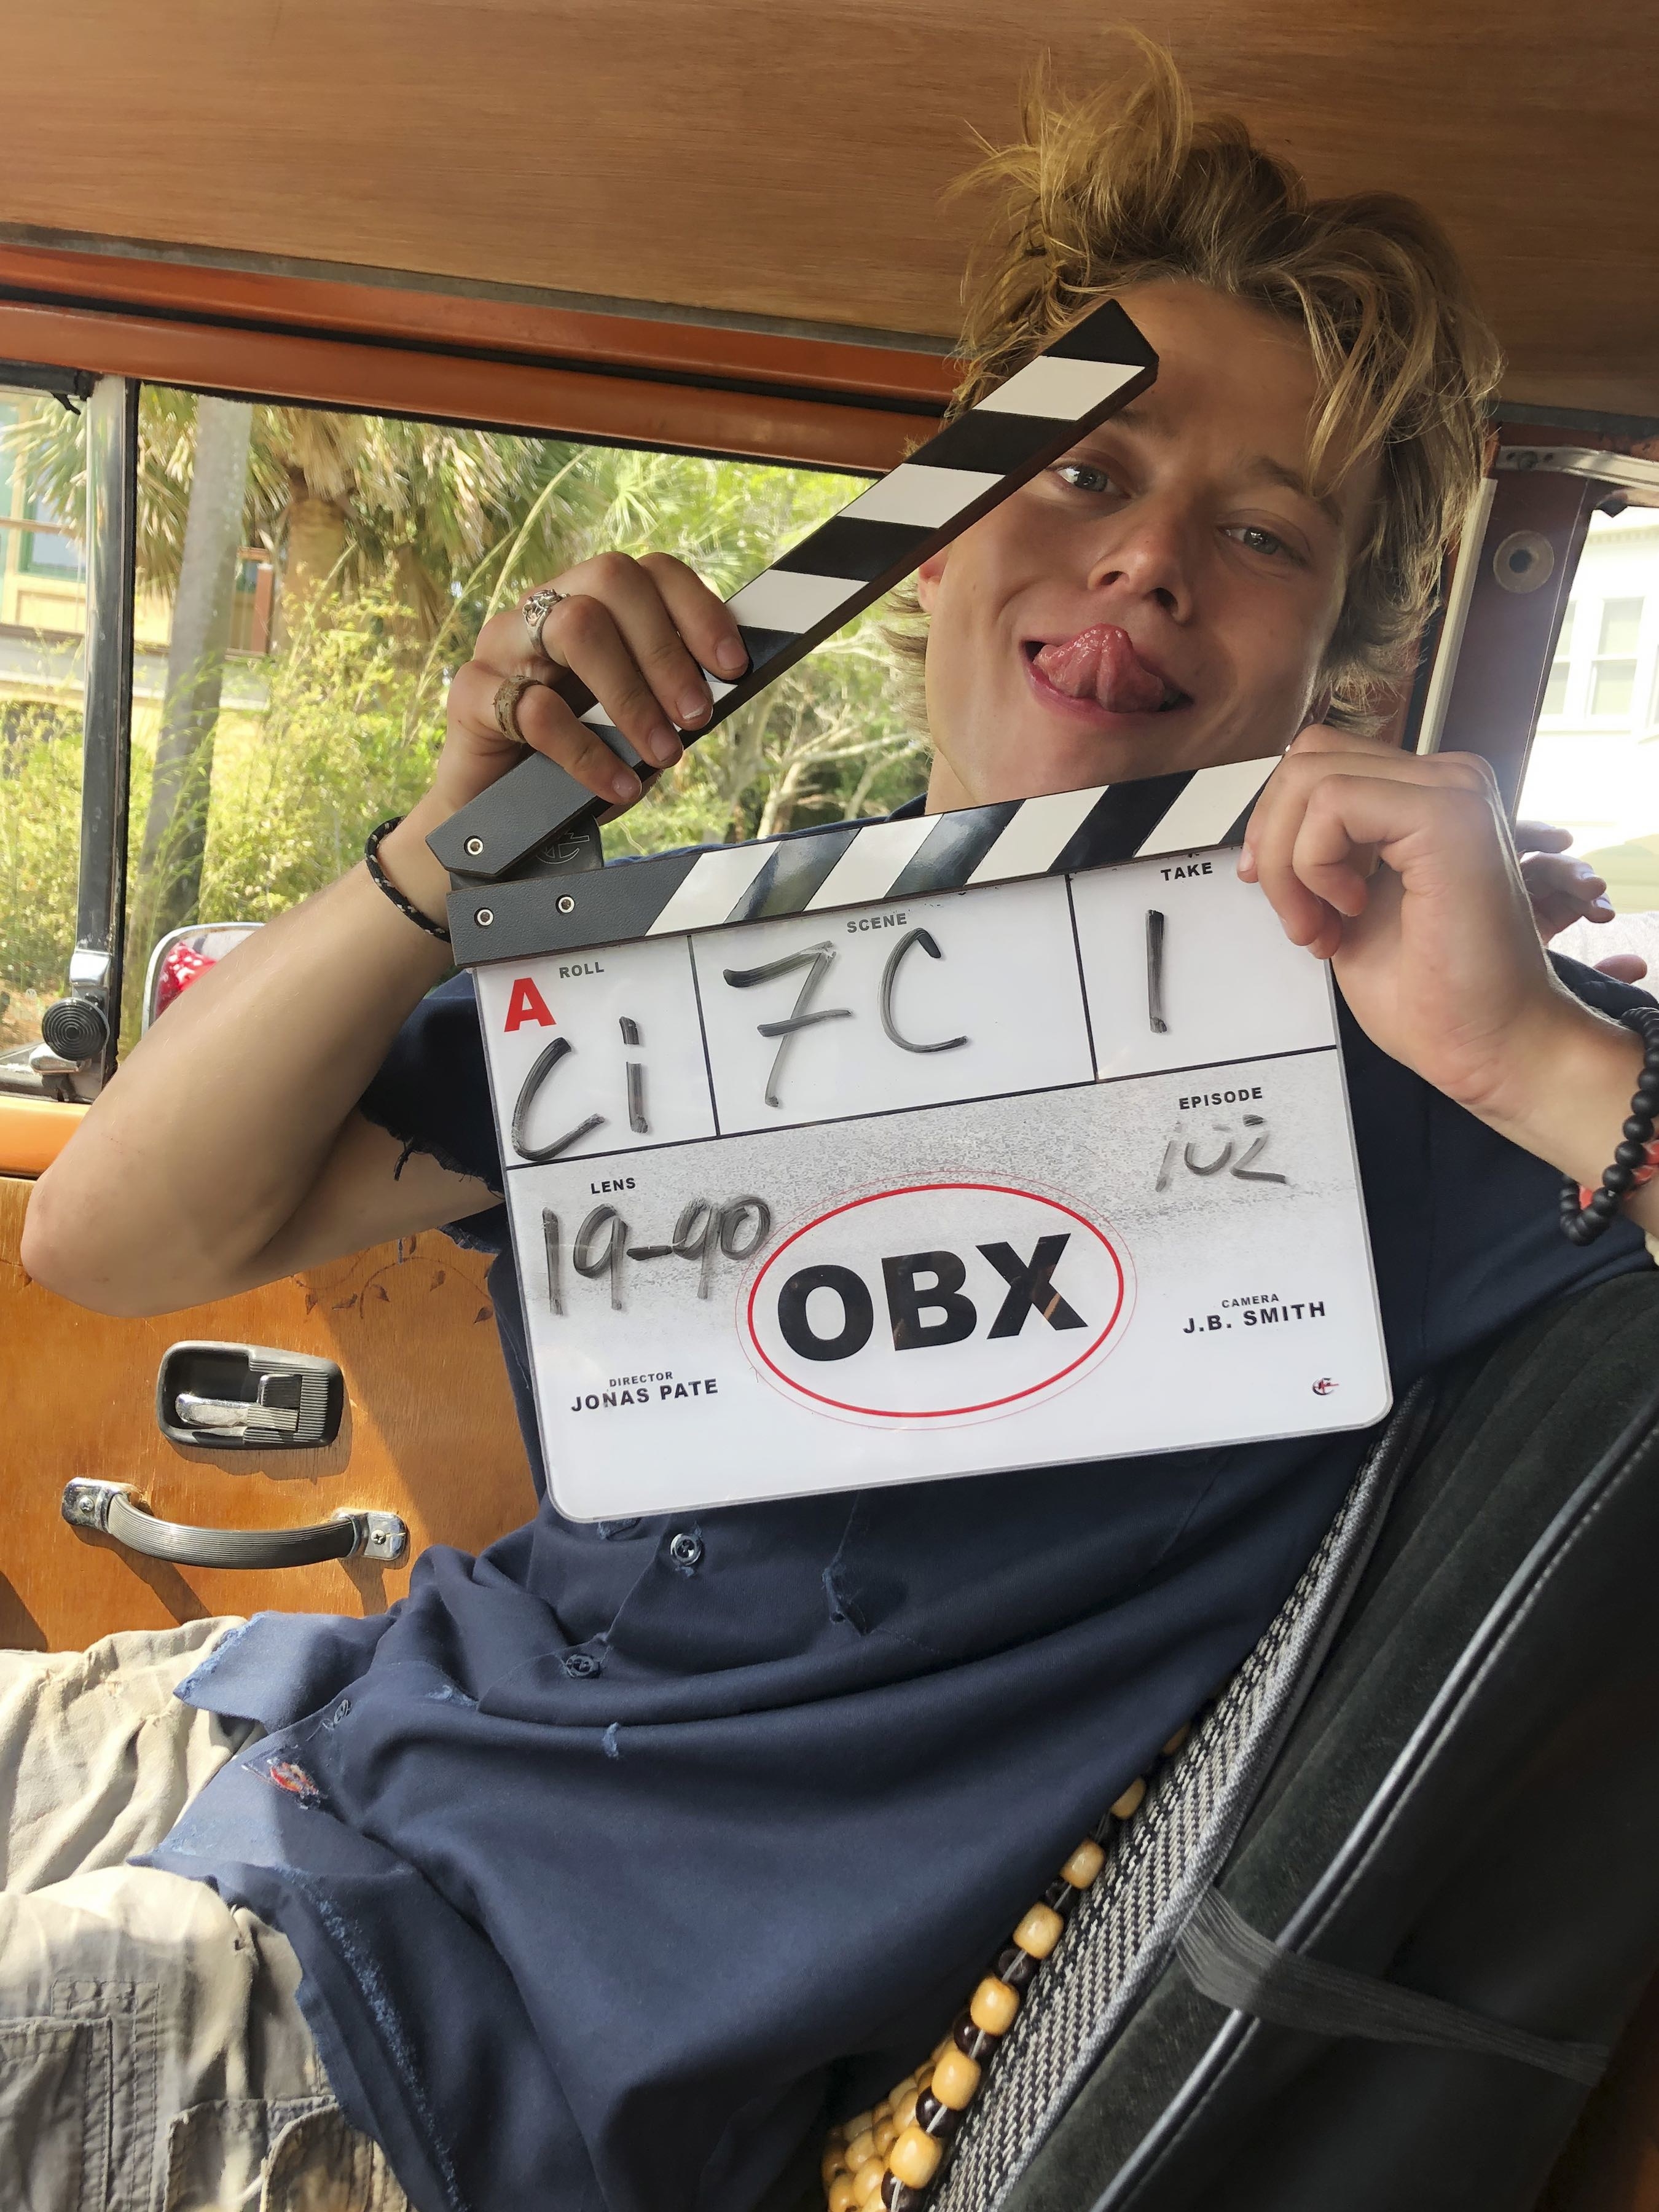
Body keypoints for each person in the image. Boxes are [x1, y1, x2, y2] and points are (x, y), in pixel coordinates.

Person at [17, 46, 1659, 2212]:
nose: (1151, 558)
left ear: (1335, 657)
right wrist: (448, 849)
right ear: (936, 530)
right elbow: (106, 1244)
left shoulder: (1421, 1056)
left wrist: (1530, 1057)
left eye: (1260, 532)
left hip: (470, 2012)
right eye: (1077, 470)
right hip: (308, 1733)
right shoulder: (712, 973)